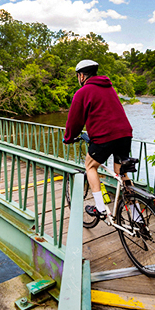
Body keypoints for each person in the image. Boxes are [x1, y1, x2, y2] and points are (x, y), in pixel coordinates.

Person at [63, 60, 133, 219]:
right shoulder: (109, 88)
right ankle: (136, 216)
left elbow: (74, 121)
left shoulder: (82, 92)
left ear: (81, 76)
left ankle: (100, 208)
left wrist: (68, 138)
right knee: (121, 173)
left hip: (105, 137)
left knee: (90, 166)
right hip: (125, 133)